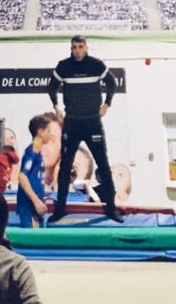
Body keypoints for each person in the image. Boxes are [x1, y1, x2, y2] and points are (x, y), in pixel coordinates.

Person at [48, 35, 123, 223]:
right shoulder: (63, 66)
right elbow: (52, 86)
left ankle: (111, 209)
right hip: (72, 122)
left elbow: (112, 83)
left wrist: (107, 104)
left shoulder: (96, 65)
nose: (77, 50)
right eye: (74, 47)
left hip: (92, 122)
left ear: (86, 47)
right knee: (65, 166)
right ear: (71, 48)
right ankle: (60, 209)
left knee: (103, 165)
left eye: (80, 47)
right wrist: (56, 106)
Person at [16, 115, 51, 228]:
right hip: (29, 206)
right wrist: (36, 201)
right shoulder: (31, 152)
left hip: (35, 204)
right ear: (40, 132)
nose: (51, 134)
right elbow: (22, 177)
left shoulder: (37, 152)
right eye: (48, 130)